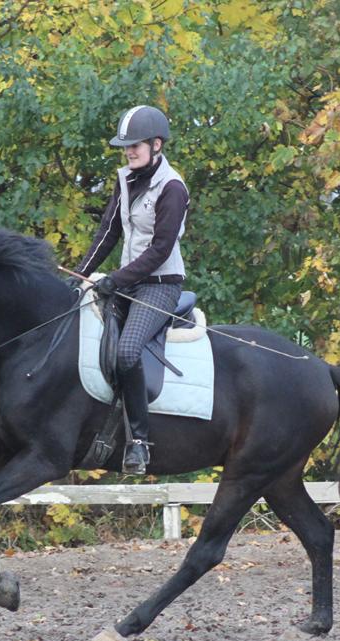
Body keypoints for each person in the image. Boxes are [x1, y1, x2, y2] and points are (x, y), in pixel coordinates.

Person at [75, 105, 190, 475]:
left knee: (126, 352)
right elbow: (108, 231)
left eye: (135, 146)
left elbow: (159, 251)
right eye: (125, 146)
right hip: (127, 282)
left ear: (156, 145)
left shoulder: (172, 188)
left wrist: (115, 279)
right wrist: (81, 274)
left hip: (160, 286)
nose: (128, 151)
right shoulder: (125, 179)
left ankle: (139, 442)